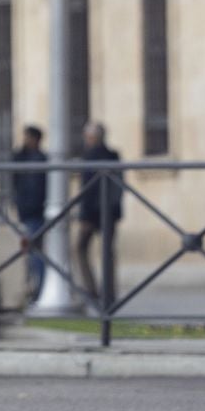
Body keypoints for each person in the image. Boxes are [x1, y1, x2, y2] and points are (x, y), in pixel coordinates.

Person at [72, 122, 123, 310]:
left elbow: (88, 188)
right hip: (110, 211)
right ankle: (108, 294)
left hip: (93, 213)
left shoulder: (89, 156)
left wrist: (84, 215)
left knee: (80, 248)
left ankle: (92, 290)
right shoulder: (113, 156)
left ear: (92, 138)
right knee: (107, 252)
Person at [11, 125, 48, 303]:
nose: (25, 140)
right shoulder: (21, 158)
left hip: (35, 213)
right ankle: (31, 289)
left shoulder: (40, 159)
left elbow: (38, 190)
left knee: (36, 254)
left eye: (28, 137)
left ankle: (39, 291)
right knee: (27, 254)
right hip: (24, 212)